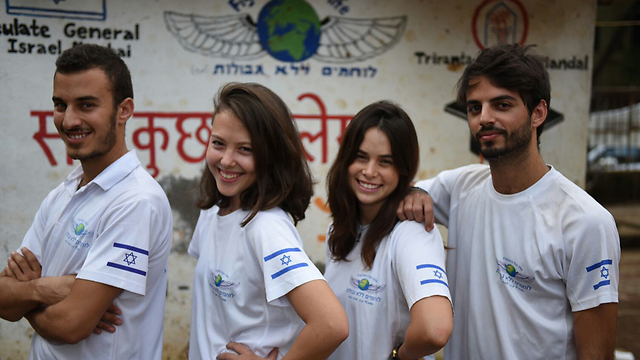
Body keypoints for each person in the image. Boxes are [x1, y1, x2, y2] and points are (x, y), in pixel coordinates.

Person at [399, 44, 620, 360]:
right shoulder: (459, 186)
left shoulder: (585, 222)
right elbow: (401, 193)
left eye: (502, 105)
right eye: (474, 108)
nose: (484, 118)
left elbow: (596, 355)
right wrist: (414, 194)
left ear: (538, 113)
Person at [0, 44, 172, 360]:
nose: (68, 121)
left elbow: (70, 326)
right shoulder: (63, 193)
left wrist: (27, 298)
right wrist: (43, 290)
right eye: (60, 105)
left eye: (86, 105)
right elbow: (2, 298)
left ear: (124, 110)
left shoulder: (135, 202)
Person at [188, 82, 348, 360]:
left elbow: (331, 324)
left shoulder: (266, 227)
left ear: (270, 157)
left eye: (245, 149)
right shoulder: (213, 212)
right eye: (218, 143)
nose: (226, 160)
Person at [323, 101, 453, 360]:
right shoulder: (337, 231)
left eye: (385, 162)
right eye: (361, 157)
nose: (369, 172)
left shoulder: (412, 233)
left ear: (403, 170)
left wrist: (397, 356)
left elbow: (435, 329)